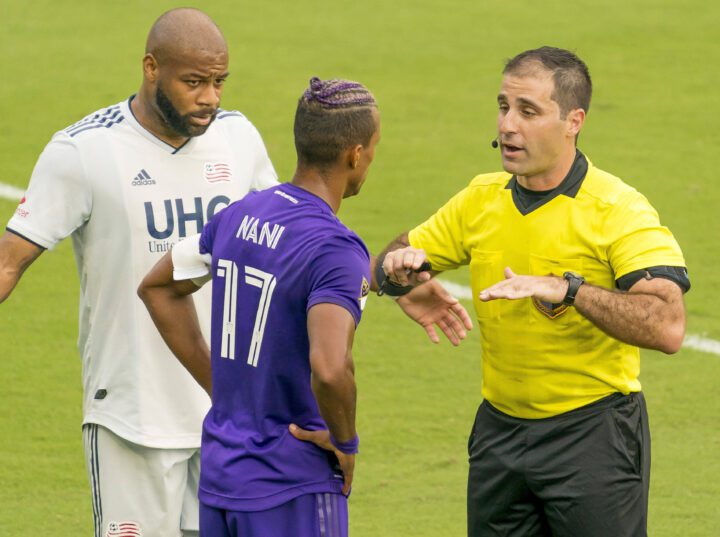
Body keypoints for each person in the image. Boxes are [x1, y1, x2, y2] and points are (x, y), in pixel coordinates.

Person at [374, 46, 690, 536]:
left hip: (593, 437)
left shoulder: (618, 209)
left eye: (528, 111)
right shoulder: (481, 198)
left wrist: (568, 290)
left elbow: (668, 325)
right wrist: (399, 277)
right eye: (503, 107)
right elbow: (391, 260)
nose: (507, 125)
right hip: (499, 435)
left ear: (573, 120)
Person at [138, 77, 471, 537]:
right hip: (291, 485)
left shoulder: (240, 214)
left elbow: (158, 287)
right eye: (373, 149)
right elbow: (330, 368)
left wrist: (225, 390)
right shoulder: (336, 247)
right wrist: (344, 441)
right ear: (355, 154)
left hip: (221, 477)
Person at [0, 8, 278, 537]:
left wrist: (380, 277)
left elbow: (285, 242)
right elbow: (9, 261)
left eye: (219, 82)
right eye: (194, 82)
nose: (210, 99)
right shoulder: (85, 151)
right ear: (151, 68)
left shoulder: (239, 140)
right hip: (132, 414)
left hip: (228, 411)